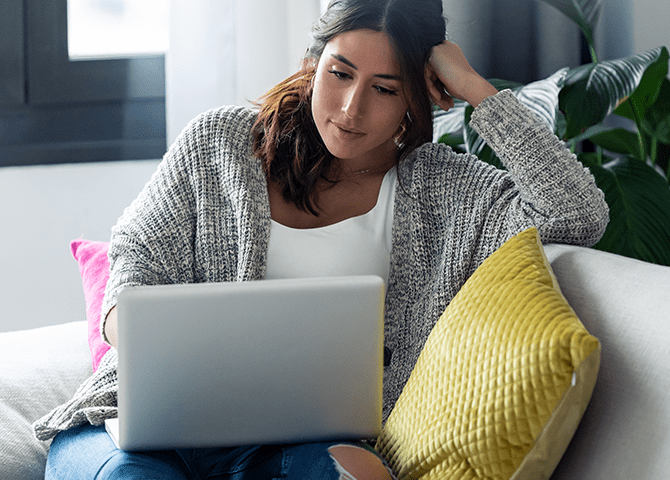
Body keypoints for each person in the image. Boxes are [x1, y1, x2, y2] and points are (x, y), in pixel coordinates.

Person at [34, 0, 609, 478]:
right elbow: (136, 258)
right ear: (313, 62)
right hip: (139, 427)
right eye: (339, 74)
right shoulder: (219, 144)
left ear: (420, 95)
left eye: (385, 89)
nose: (351, 109)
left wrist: (475, 88)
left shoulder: (450, 191)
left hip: (296, 445)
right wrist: (138, 331)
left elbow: (579, 213)